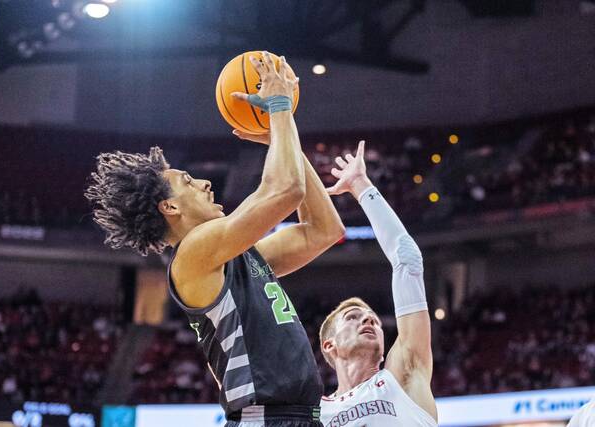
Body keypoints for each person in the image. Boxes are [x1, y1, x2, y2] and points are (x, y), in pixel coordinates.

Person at [85, 51, 345, 426]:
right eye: (187, 182)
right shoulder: (191, 255)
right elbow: (285, 190)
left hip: (298, 416)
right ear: (169, 209)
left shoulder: (237, 258)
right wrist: (278, 109)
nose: (204, 183)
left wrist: (279, 135)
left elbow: (324, 231)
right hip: (266, 419)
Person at [318, 141, 438, 427]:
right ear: (329, 345)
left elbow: (407, 259)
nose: (368, 321)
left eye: (372, 319)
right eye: (353, 317)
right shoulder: (314, 412)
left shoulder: (404, 374)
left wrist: (361, 185)